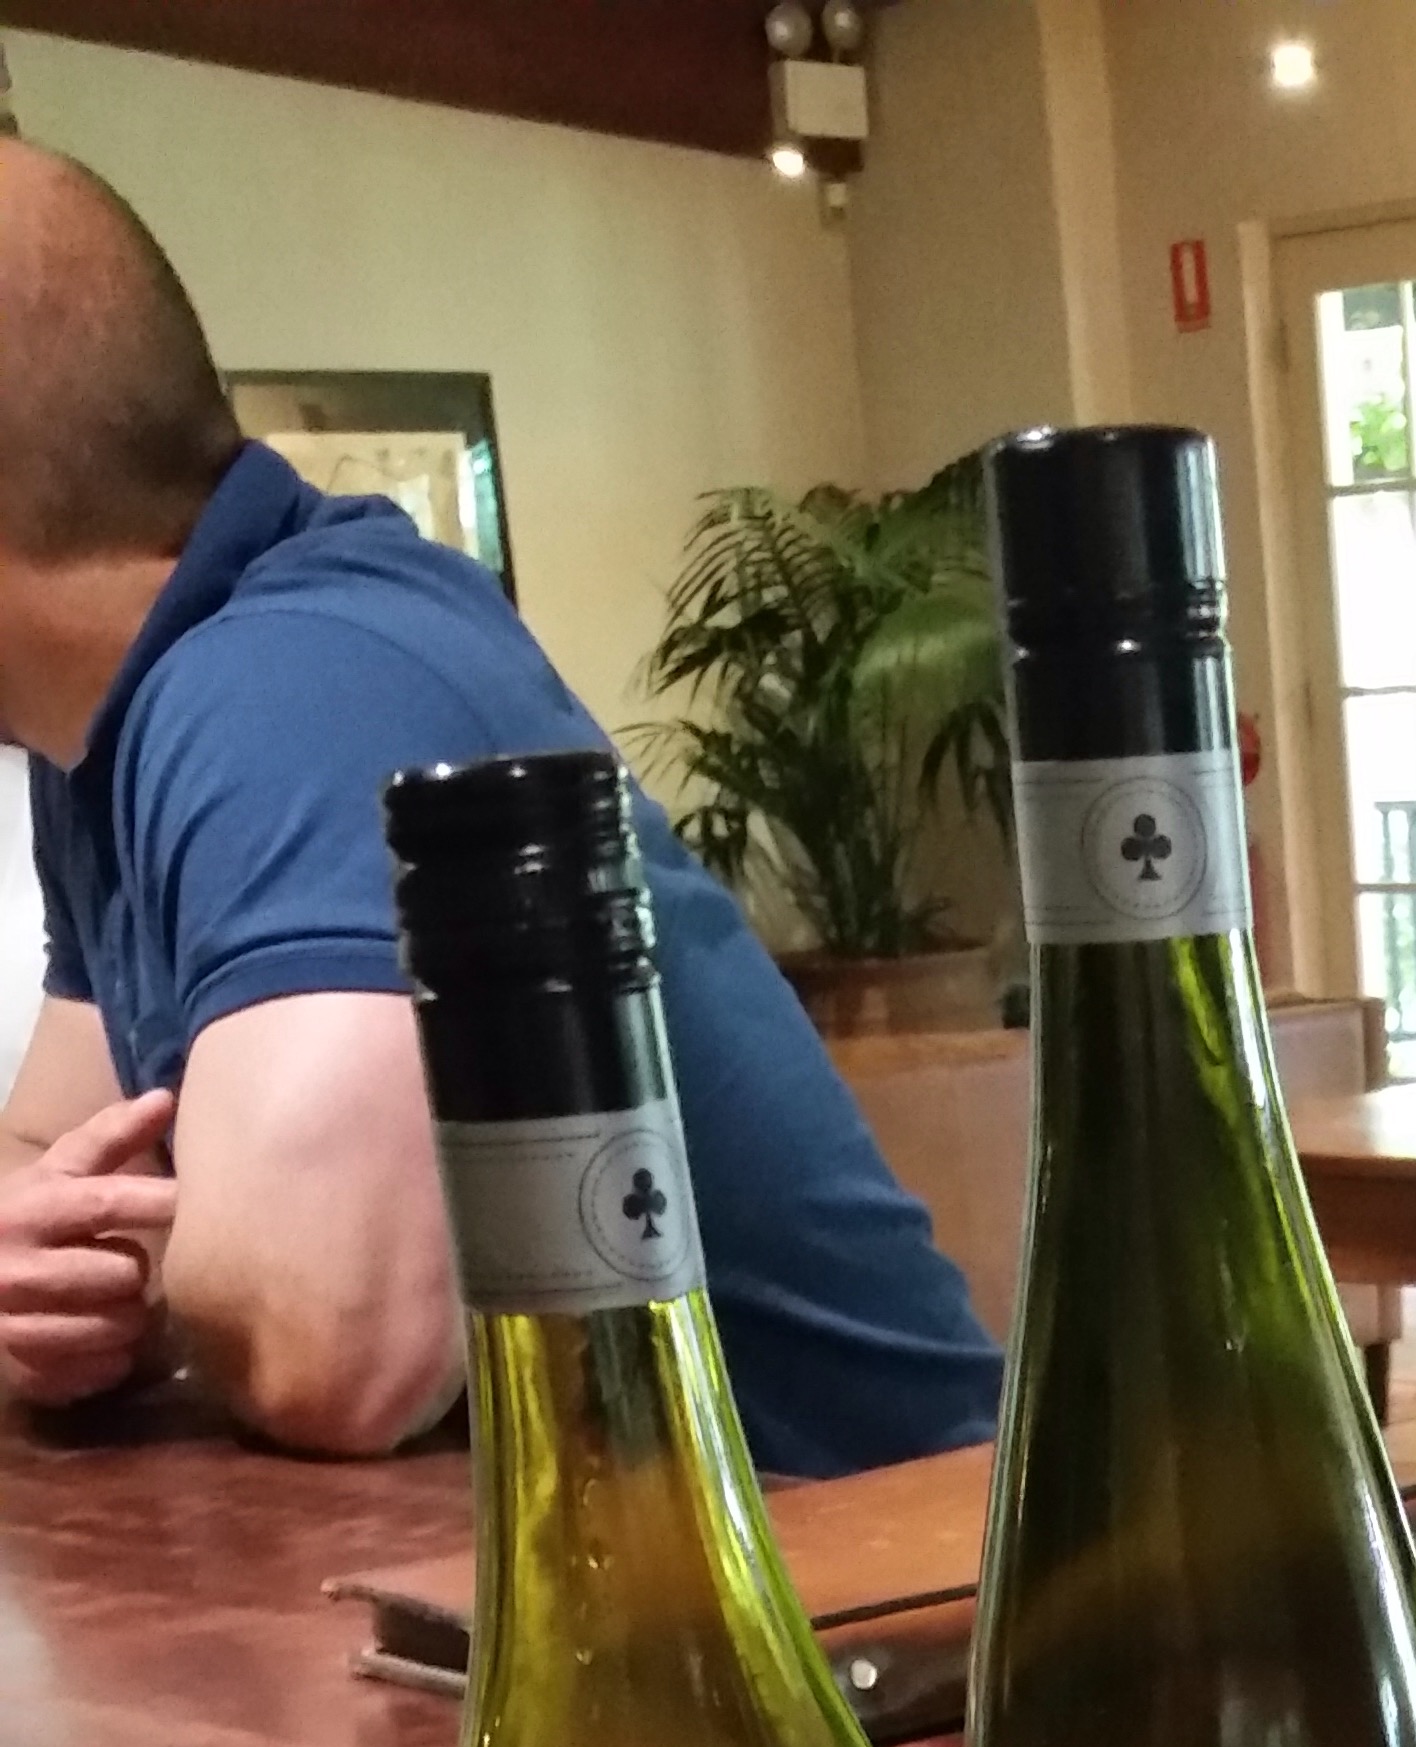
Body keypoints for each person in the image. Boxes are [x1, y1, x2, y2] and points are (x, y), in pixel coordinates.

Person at [0, 144, 1000, 1473]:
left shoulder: (289, 678)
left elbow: (334, 1346)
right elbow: (43, 1150)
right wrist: (65, 1263)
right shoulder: (102, 730)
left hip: (859, 1557)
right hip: (596, 1550)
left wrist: (110, 1274)